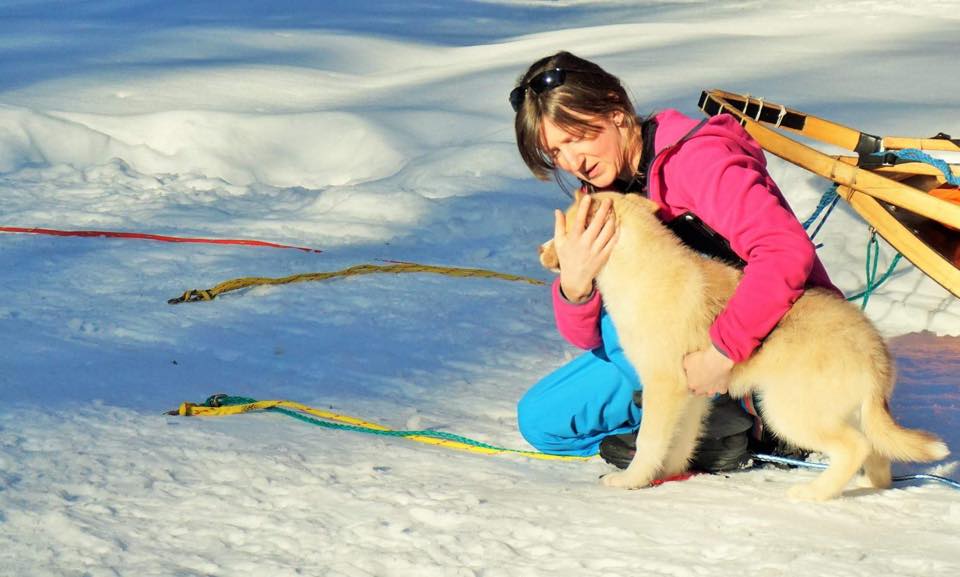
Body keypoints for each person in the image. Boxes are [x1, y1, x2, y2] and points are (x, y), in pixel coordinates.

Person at [510, 51, 841, 471]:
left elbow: (785, 252)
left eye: (577, 137)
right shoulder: (602, 195)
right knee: (543, 422)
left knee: (641, 308)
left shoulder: (696, 160)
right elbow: (596, 340)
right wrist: (575, 286)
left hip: (773, 344)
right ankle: (688, 428)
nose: (573, 162)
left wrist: (723, 353)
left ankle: (744, 422)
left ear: (615, 109)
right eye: (555, 151)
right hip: (676, 354)